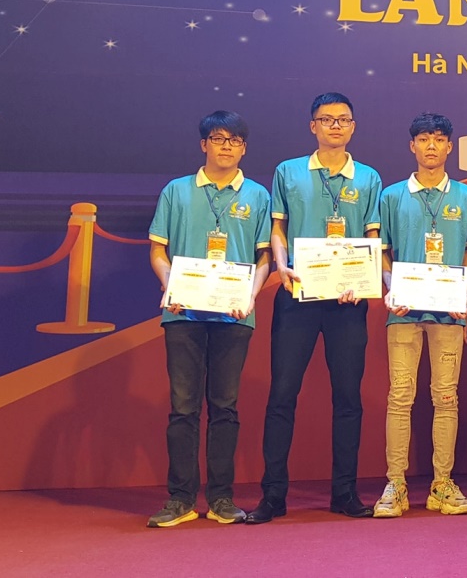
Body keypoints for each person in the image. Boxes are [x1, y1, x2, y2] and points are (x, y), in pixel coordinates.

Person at [248, 93, 383, 524]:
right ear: (313, 126)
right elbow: (278, 228)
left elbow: (372, 237)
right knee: (282, 395)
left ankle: (345, 493)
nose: (335, 126)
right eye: (327, 119)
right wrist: (281, 265)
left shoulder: (369, 178)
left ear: (353, 126)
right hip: (298, 296)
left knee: (348, 399)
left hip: (347, 302)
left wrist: (365, 281)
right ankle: (273, 496)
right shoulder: (288, 171)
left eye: (343, 119)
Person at [146, 111, 272, 528]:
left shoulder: (257, 195)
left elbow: (263, 258)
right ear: (204, 144)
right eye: (218, 139)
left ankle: (221, 498)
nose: (226, 147)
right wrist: (171, 287)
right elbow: (158, 250)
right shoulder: (176, 191)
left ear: (244, 148)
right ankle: (180, 498)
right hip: (182, 313)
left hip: (234, 316)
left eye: (235, 140)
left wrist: (249, 296)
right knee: (183, 408)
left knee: (225, 407)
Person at [374, 112, 467, 518]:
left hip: (449, 313)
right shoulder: (392, 196)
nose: (431, 146)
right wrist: (391, 286)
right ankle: (396, 484)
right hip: (404, 312)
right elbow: (383, 253)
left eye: (439, 139)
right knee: (400, 397)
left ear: (449, 146)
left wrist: (463, 293)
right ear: (412, 146)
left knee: (446, 397)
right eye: (424, 139)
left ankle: (442, 483)